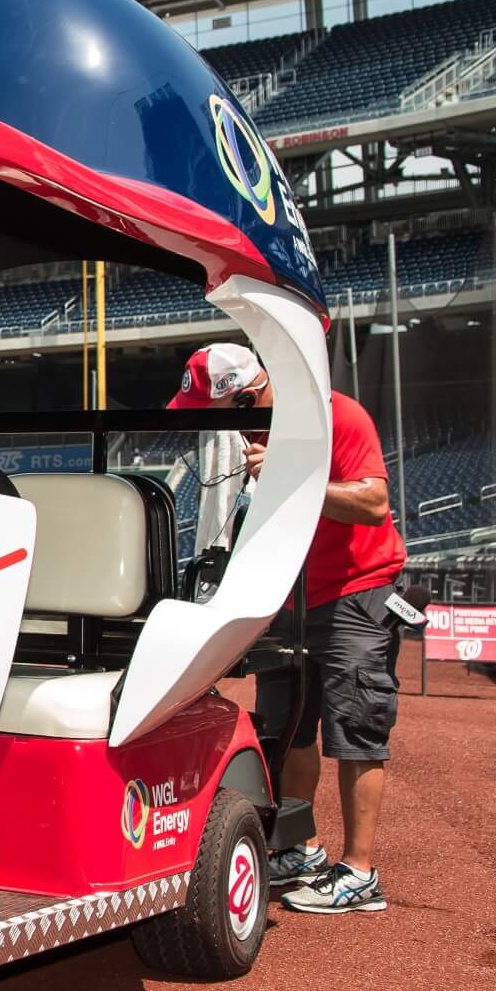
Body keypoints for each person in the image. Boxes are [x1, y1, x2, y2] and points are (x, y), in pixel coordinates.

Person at [167, 341, 406, 915]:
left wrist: (290, 475)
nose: (213, 426)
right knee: (290, 724)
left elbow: (374, 503)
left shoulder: (337, 415)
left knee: (354, 730)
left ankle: (361, 871)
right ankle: (302, 847)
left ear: (247, 396)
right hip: (291, 595)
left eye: (215, 410)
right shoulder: (255, 434)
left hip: (356, 590)